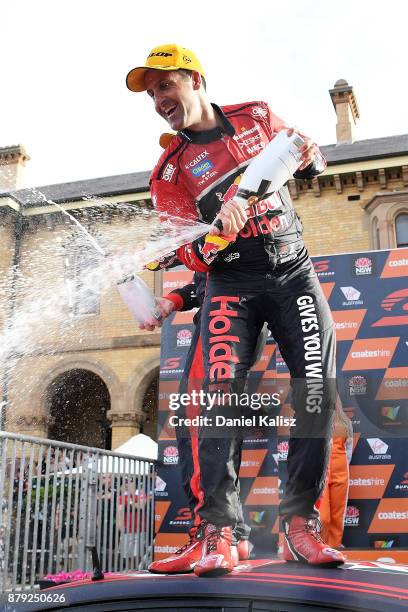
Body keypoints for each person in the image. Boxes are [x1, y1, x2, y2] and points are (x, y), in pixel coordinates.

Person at [126, 43, 345, 576]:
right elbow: (187, 251)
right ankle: (219, 533)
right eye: (152, 93)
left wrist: (311, 154)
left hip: (293, 269)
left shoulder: (257, 116)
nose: (159, 99)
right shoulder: (170, 173)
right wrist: (218, 237)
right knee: (217, 401)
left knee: (316, 387)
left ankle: (299, 526)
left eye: (166, 85)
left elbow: (310, 163)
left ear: (195, 79)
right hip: (230, 283)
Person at [143, 269, 265, 571]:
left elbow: (219, 275)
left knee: (197, 423)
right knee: (216, 426)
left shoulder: (223, 228)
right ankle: (233, 536)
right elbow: (204, 284)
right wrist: (173, 300)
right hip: (229, 321)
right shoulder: (223, 246)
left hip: (221, 323)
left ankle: (207, 533)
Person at [318, 403, 353, 548]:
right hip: (321, 474)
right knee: (323, 516)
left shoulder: (346, 423)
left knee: (338, 514)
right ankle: (321, 546)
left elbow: (349, 450)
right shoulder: (315, 421)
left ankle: (335, 546)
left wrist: (341, 466)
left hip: (341, 472)